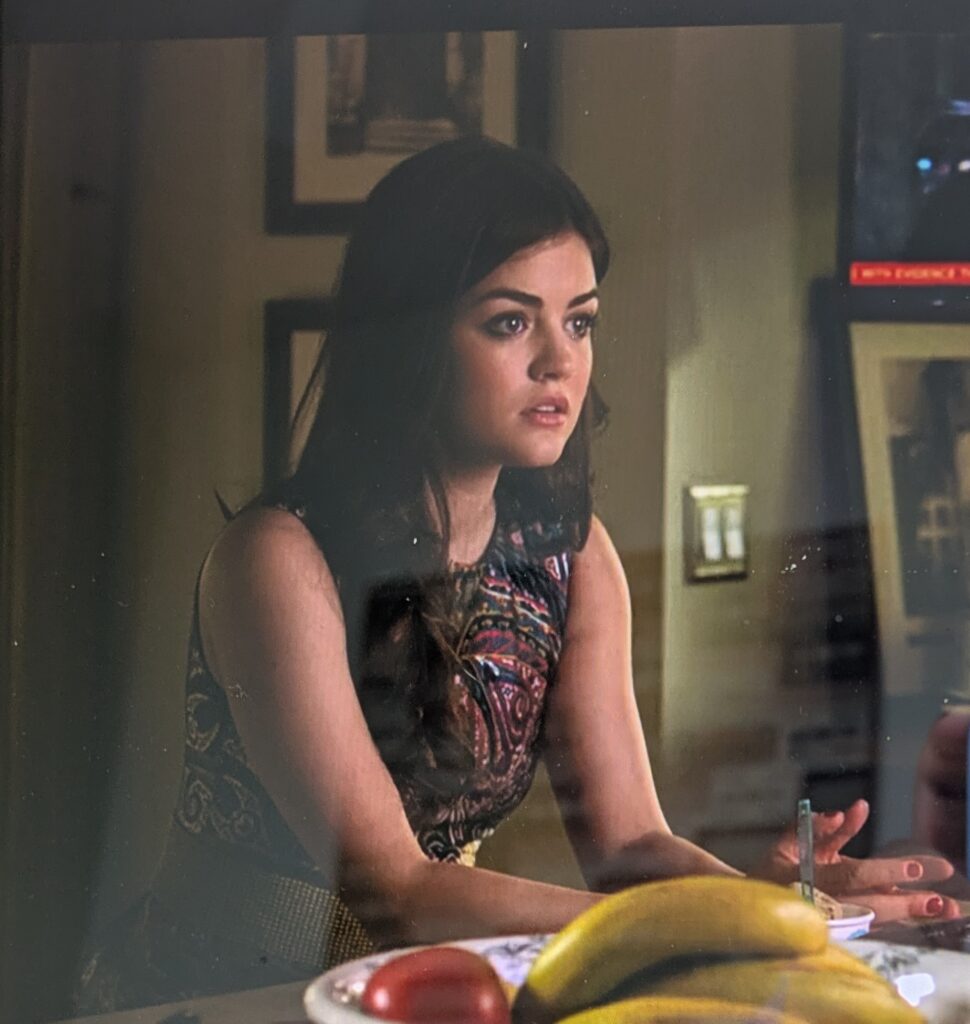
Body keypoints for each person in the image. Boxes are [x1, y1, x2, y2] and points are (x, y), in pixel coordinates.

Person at [77, 136, 961, 1014]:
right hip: (228, 998)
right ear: (411, 338)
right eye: (510, 321)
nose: (559, 360)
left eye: (579, 320)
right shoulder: (279, 558)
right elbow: (395, 889)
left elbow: (630, 843)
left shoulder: (571, 553)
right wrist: (702, 925)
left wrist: (754, 906)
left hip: (425, 991)